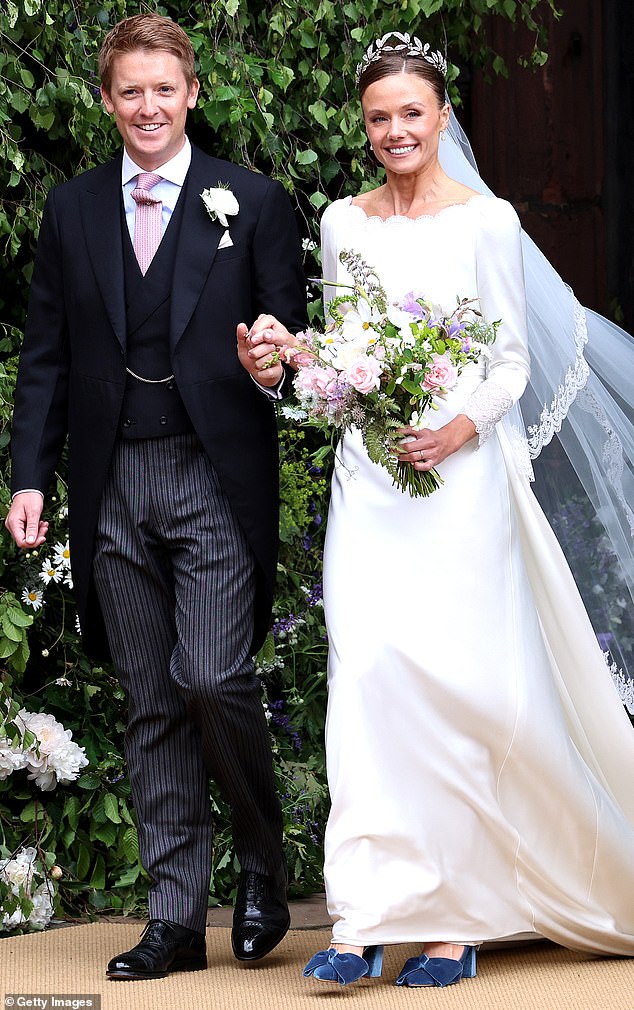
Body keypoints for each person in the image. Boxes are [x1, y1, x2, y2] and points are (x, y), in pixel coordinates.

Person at [245, 31, 634, 989]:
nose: (395, 131)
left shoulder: (487, 222)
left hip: (458, 484)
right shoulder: (342, 221)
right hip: (370, 482)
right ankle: (367, 913)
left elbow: (509, 363)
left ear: (443, 117)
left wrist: (456, 432)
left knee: (456, 686)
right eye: (379, 117)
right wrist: (297, 361)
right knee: (368, 679)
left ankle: (455, 922)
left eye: (411, 112)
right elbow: (345, 349)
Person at [5, 13, 307, 981]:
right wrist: (27, 475)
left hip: (212, 476)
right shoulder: (71, 208)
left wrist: (270, 359)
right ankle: (175, 915)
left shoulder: (251, 203)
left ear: (191, 93)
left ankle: (262, 857)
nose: (147, 106)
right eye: (129, 91)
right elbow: (46, 356)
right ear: (108, 99)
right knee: (149, 701)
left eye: (162, 89)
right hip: (110, 484)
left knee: (212, 674)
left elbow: (289, 361)